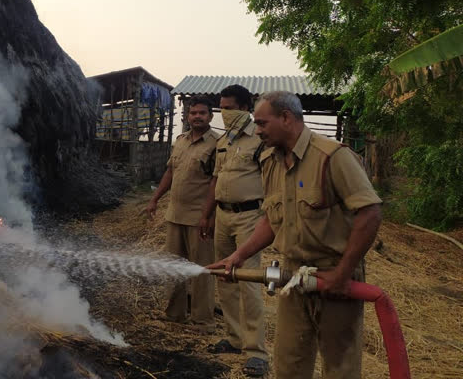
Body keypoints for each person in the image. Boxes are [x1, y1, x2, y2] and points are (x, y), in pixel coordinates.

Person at [208, 91, 382, 379]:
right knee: (289, 364)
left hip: (333, 279)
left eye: (263, 123)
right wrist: (239, 255)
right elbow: (271, 220)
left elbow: (370, 213)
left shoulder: (332, 156)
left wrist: (343, 274)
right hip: (293, 278)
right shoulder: (270, 161)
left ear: (286, 118)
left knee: (339, 367)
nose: (258, 130)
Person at [198, 85, 268, 377]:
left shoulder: (260, 141)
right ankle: (234, 337)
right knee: (224, 279)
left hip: (249, 216)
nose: (224, 114)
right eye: (222, 108)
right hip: (223, 216)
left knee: (248, 281)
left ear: (245, 108)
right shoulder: (224, 141)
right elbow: (216, 179)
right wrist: (208, 214)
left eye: (229, 108)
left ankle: (256, 352)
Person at [142, 95, 218, 330]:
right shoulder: (180, 141)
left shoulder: (218, 143)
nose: (197, 117)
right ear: (187, 116)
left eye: (202, 113)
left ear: (210, 116)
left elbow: (217, 183)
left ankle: (202, 319)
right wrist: (154, 199)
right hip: (175, 215)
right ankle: (174, 314)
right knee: (173, 266)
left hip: (200, 218)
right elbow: (170, 173)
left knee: (201, 269)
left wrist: (209, 215)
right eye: (193, 113)